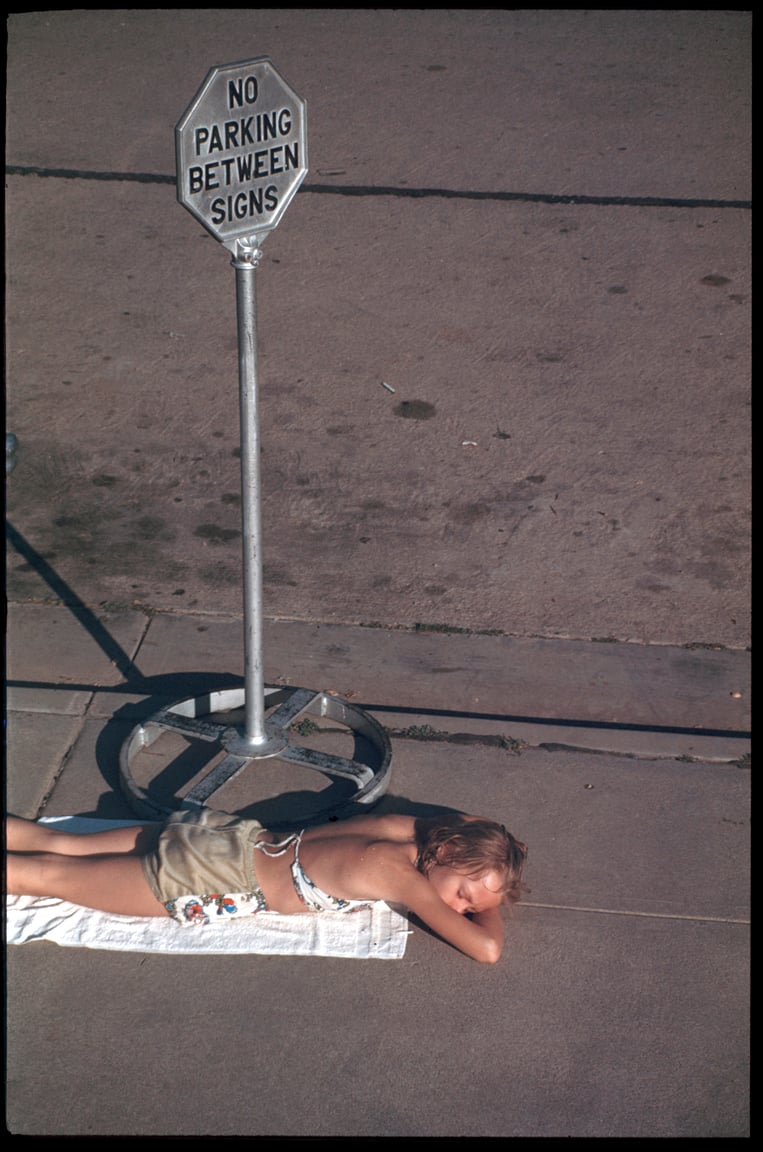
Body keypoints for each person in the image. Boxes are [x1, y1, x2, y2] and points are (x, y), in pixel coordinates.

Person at [5, 808, 527, 964]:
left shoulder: (404, 827)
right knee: (47, 877)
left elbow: (470, 815)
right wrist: (493, 905)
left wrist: (487, 876)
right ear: (452, 854)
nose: (460, 908)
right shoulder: (402, 878)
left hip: (224, 838)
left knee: (57, 843)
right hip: (212, 879)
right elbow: (486, 950)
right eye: (464, 894)